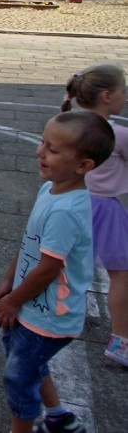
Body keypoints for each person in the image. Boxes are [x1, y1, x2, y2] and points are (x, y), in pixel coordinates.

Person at [0, 110, 115, 433]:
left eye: (52, 149)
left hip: (49, 317)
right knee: (29, 364)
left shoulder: (67, 211)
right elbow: (30, 242)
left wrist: (13, 300)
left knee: (19, 377)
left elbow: (48, 270)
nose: (39, 152)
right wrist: (9, 280)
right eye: (43, 143)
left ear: (84, 166)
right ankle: (59, 416)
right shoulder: (49, 190)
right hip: (30, 305)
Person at [61, 64, 128, 367]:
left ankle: (67, 309)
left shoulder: (70, 126)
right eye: (123, 91)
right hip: (105, 207)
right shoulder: (118, 134)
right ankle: (120, 339)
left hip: (72, 201)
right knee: (121, 275)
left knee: (70, 260)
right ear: (106, 96)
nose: (125, 97)